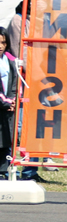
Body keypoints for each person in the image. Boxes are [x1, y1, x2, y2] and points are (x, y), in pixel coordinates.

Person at [0, 28, 19, 176]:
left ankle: (5, 171)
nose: (0, 46)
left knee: (7, 138)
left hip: (8, 107)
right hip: (3, 104)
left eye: (3, 42)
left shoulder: (10, 60)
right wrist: (6, 103)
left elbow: (14, 83)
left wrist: (12, 101)